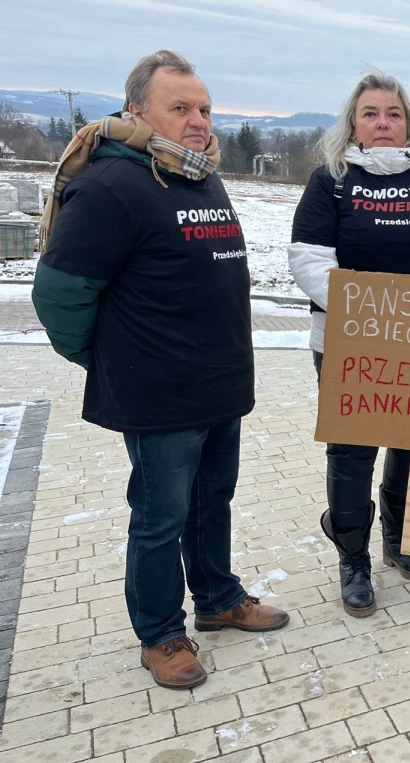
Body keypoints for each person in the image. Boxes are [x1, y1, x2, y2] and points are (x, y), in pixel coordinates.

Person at [31, 50, 289, 690]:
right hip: (158, 394)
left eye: (205, 108)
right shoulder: (110, 187)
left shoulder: (197, 176)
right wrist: (101, 357)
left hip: (218, 383)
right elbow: (59, 293)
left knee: (212, 502)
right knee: (159, 518)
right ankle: (160, 633)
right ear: (137, 112)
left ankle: (218, 598)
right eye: (181, 107)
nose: (199, 120)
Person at [288, 71, 410, 616]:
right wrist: (376, 313)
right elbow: (309, 260)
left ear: (409, 122)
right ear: (354, 123)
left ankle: (401, 539)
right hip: (349, 340)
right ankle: (353, 558)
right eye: (370, 113)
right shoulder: (332, 182)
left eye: (393, 113)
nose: (383, 123)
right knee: (353, 450)